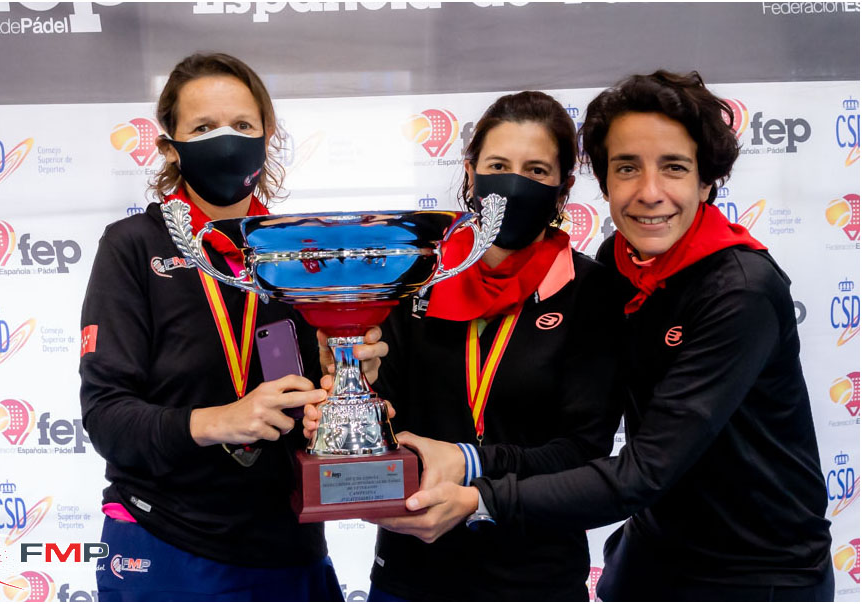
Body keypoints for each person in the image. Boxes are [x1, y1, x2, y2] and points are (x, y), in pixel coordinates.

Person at [371, 71, 834, 602]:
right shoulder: (619, 263)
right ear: (606, 181)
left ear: (707, 181)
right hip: (649, 552)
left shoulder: (740, 291)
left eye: (674, 167)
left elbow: (639, 469)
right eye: (627, 167)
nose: (650, 193)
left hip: (755, 570)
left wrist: (479, 490)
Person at [80, 52, 383, 601]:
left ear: (267, 138)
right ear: (169, 147)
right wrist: (219, 421)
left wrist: (338, 376)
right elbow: (107, 417)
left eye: (243, 125)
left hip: (288, 545)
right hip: (167, 542)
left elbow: (314, 403)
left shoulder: (298, 251)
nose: (226, 141)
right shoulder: (133, 247)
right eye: (203, 127)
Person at [305, 91, 624, 601]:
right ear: (471, 173)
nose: (514, 183)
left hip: (535, 576)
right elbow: (387, 414)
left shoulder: (592, 292)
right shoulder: (415, 279)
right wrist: (350, 416)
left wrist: (469, 462)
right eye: (498, 166)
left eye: (536, 171)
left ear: (563, 188)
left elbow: (583, 451)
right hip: (413, 569)